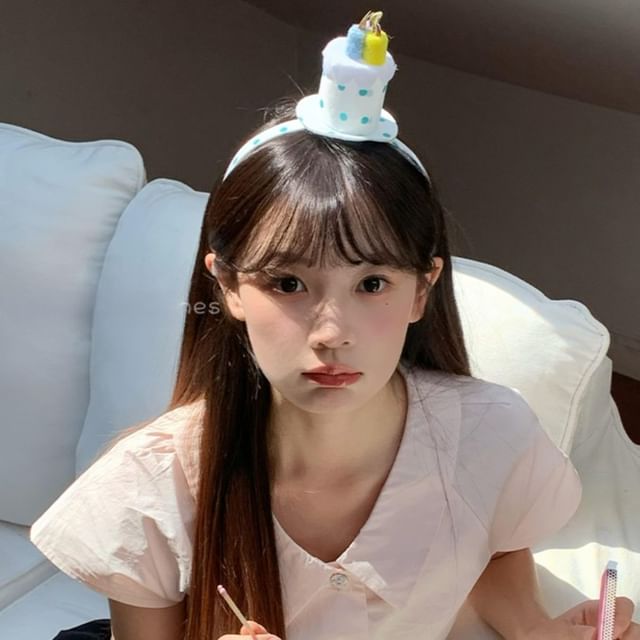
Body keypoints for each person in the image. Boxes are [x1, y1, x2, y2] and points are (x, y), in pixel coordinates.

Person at [30, 11, 638, 640]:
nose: (331, 333)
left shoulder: (492, 435)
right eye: (287, 284)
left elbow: (497, 548)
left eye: (371, 284)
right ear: (229, 286)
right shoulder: (149, 487)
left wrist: (535, 629)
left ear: (422, 289)